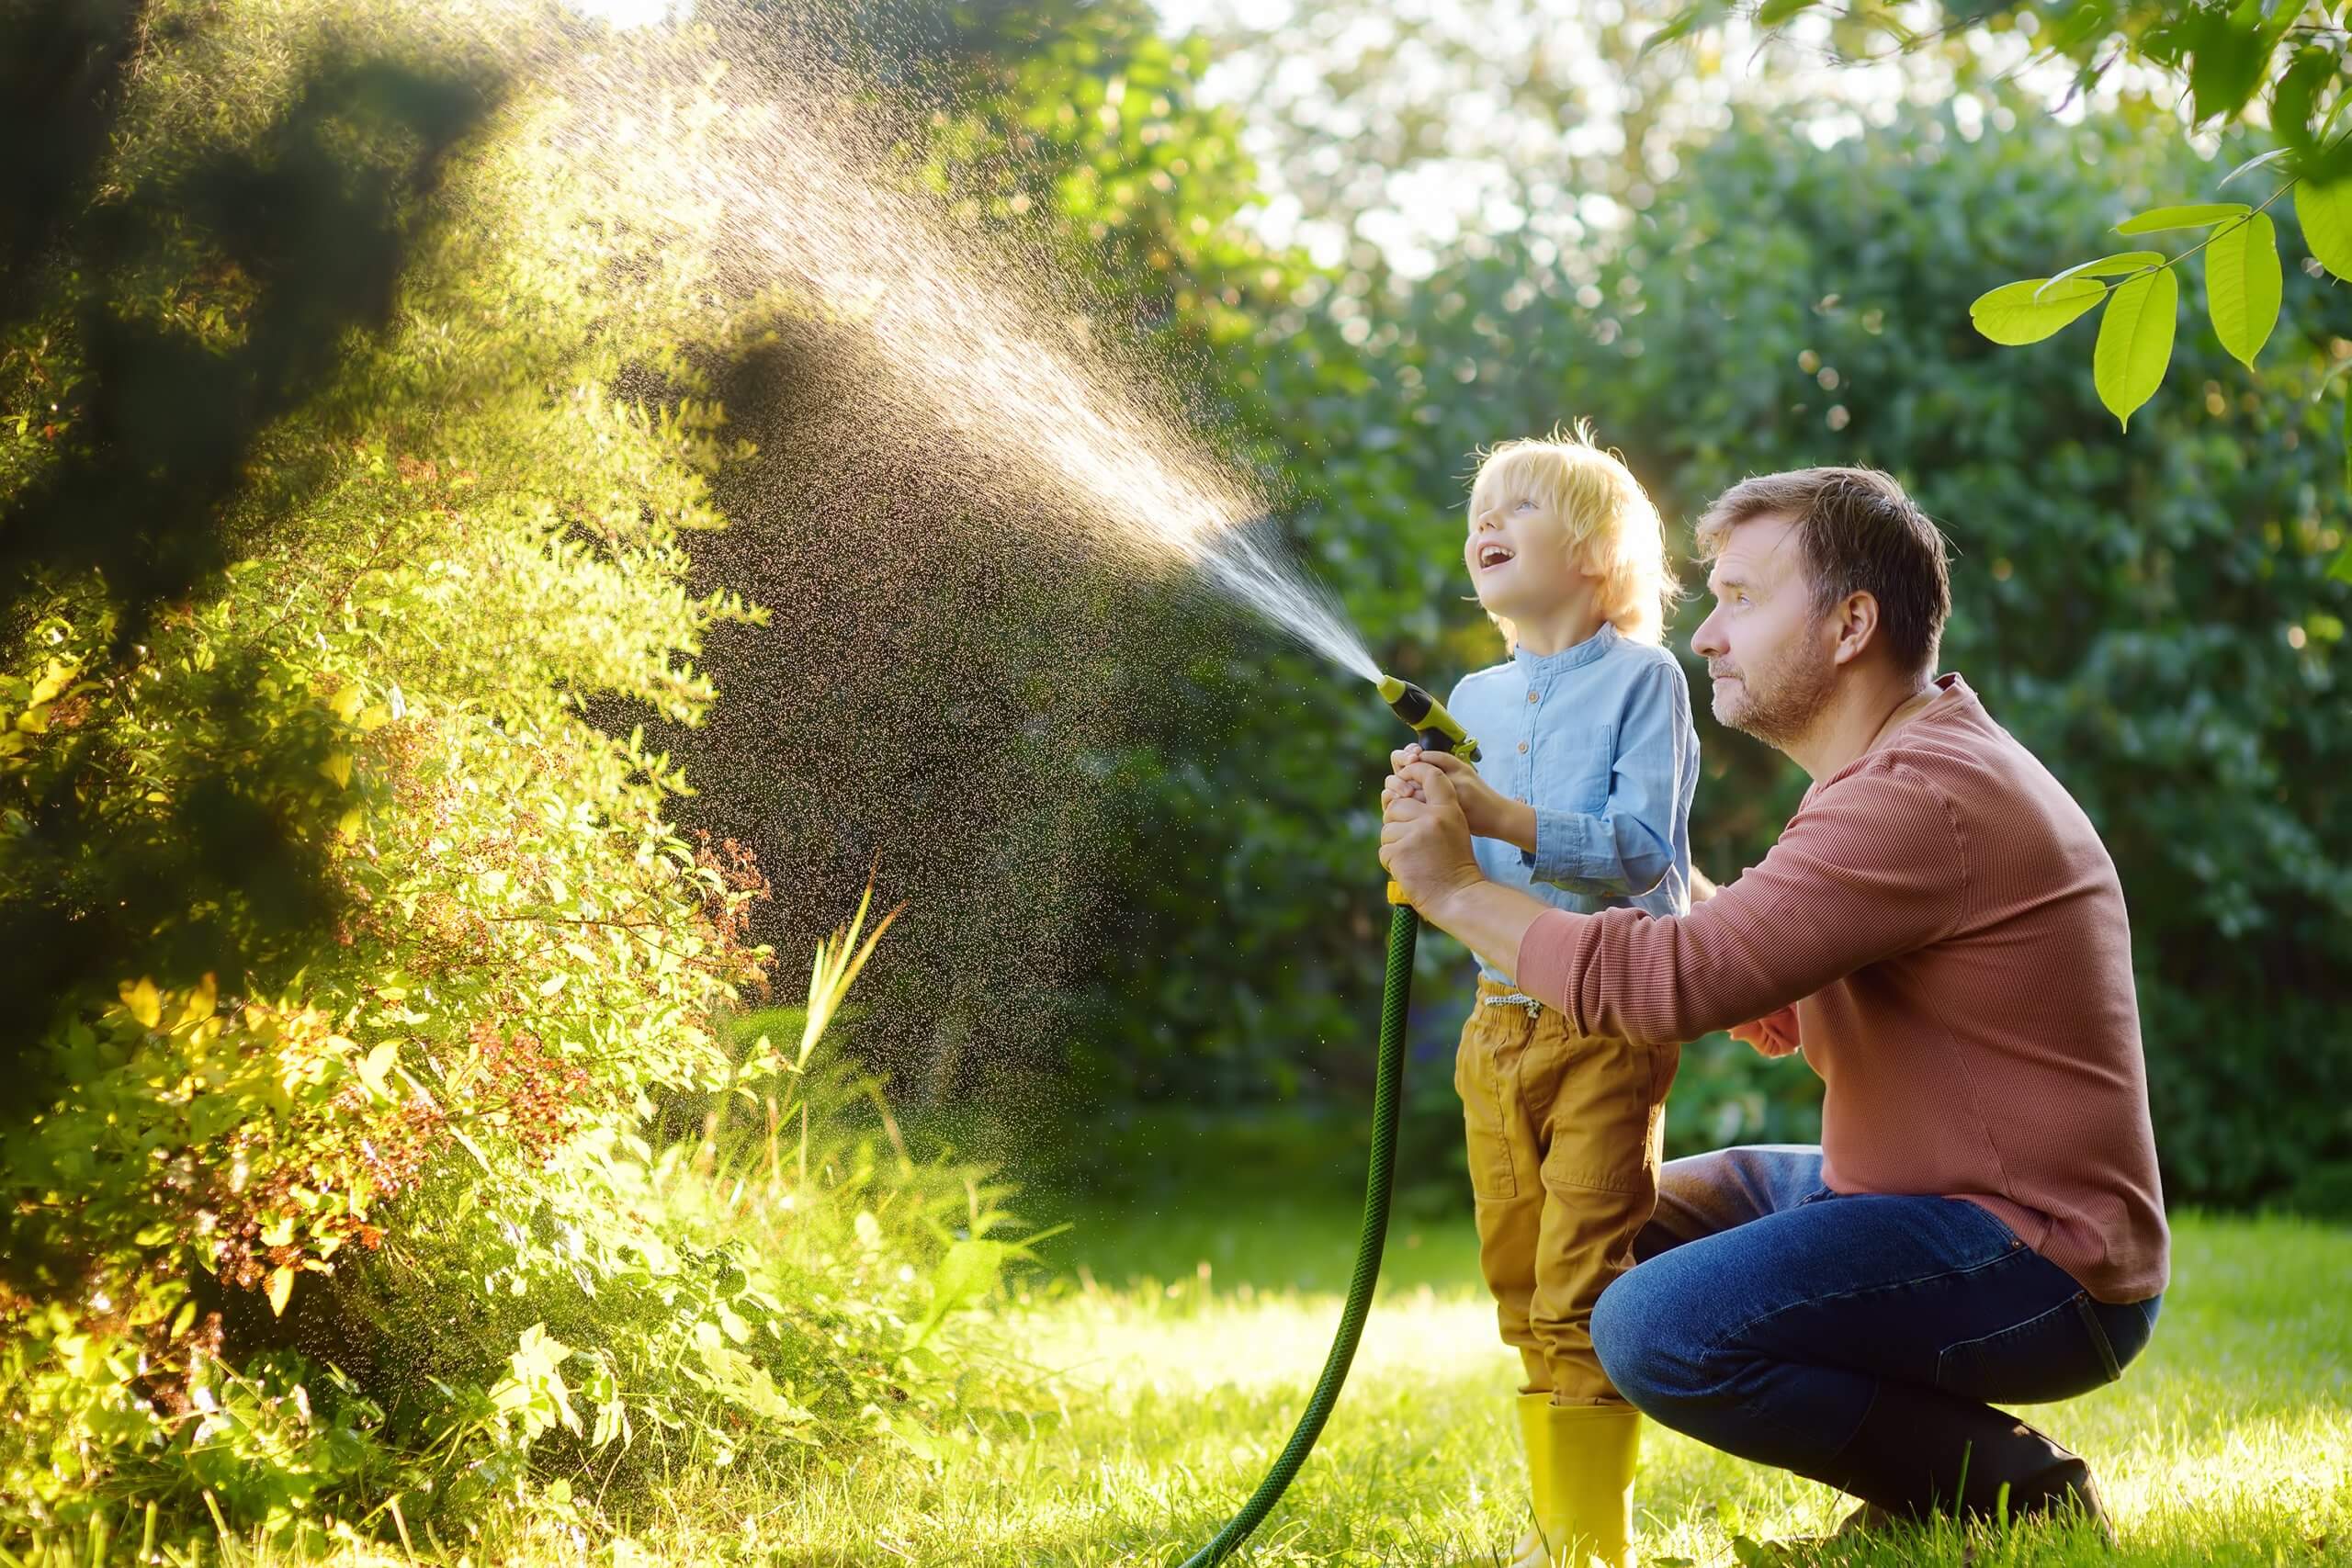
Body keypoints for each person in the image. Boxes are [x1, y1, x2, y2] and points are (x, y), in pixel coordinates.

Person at [1381, 466, 2168, 1553]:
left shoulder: (1914, 802)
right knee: (1607, 1218)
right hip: (1911, 1194)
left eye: (1742, 600)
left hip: (2033, 1257)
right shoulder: (1882, 779)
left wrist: (1459, 892)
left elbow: (1669, 987)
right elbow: (1773, 988)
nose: (1705, 636)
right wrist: (1633, 868)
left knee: (1648, 1322)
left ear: (1851, 624)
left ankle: (2007, 1489)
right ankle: (1924, 1480)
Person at [1392, 426, 1698, 1568]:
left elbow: (1635, 848)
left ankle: (1588, 1547)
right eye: (1482, 505)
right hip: (1496, 1020)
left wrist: (1495, 818)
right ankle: (1562, 1533)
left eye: (1520, 505)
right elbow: (1458, 859)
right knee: (1518, 1280)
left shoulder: (1644, 680)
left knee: (1579, 1282)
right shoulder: (1470, 690)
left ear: (1596, 552)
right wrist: (1428, 805)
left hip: (1606, 1021)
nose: (1488, 521)